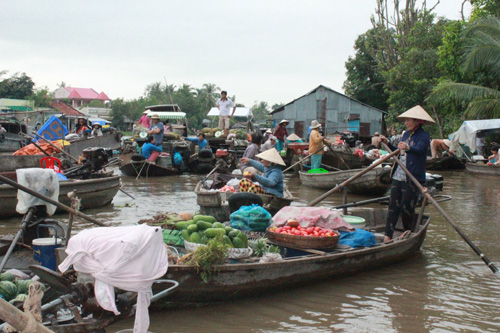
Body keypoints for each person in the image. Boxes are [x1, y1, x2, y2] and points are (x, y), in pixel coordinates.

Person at [379, 105, 434, 243]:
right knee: (393, 206)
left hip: (412, 177)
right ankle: (388, 235)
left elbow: (420, 150)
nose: (406, 123)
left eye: (408, 120)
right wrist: (387, 143)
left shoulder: (424, 136)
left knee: (406, 206)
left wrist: (408, 147)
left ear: (417, 121)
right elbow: (398, 151)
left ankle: (407, 232)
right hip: (398, 175)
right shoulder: (405, 134)